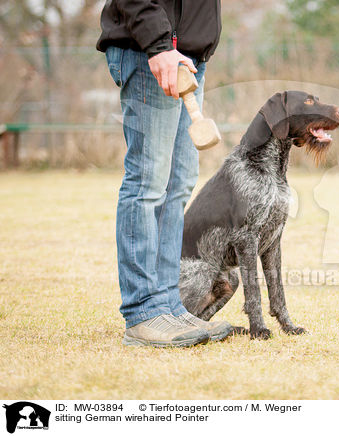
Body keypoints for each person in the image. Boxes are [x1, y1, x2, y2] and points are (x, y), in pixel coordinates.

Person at [96, 0, 232, 347]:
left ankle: (168, 305)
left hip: (186, 55)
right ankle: (143, 312)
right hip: (154, 52)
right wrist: (159, 45)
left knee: (177, 184)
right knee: (148, 184)